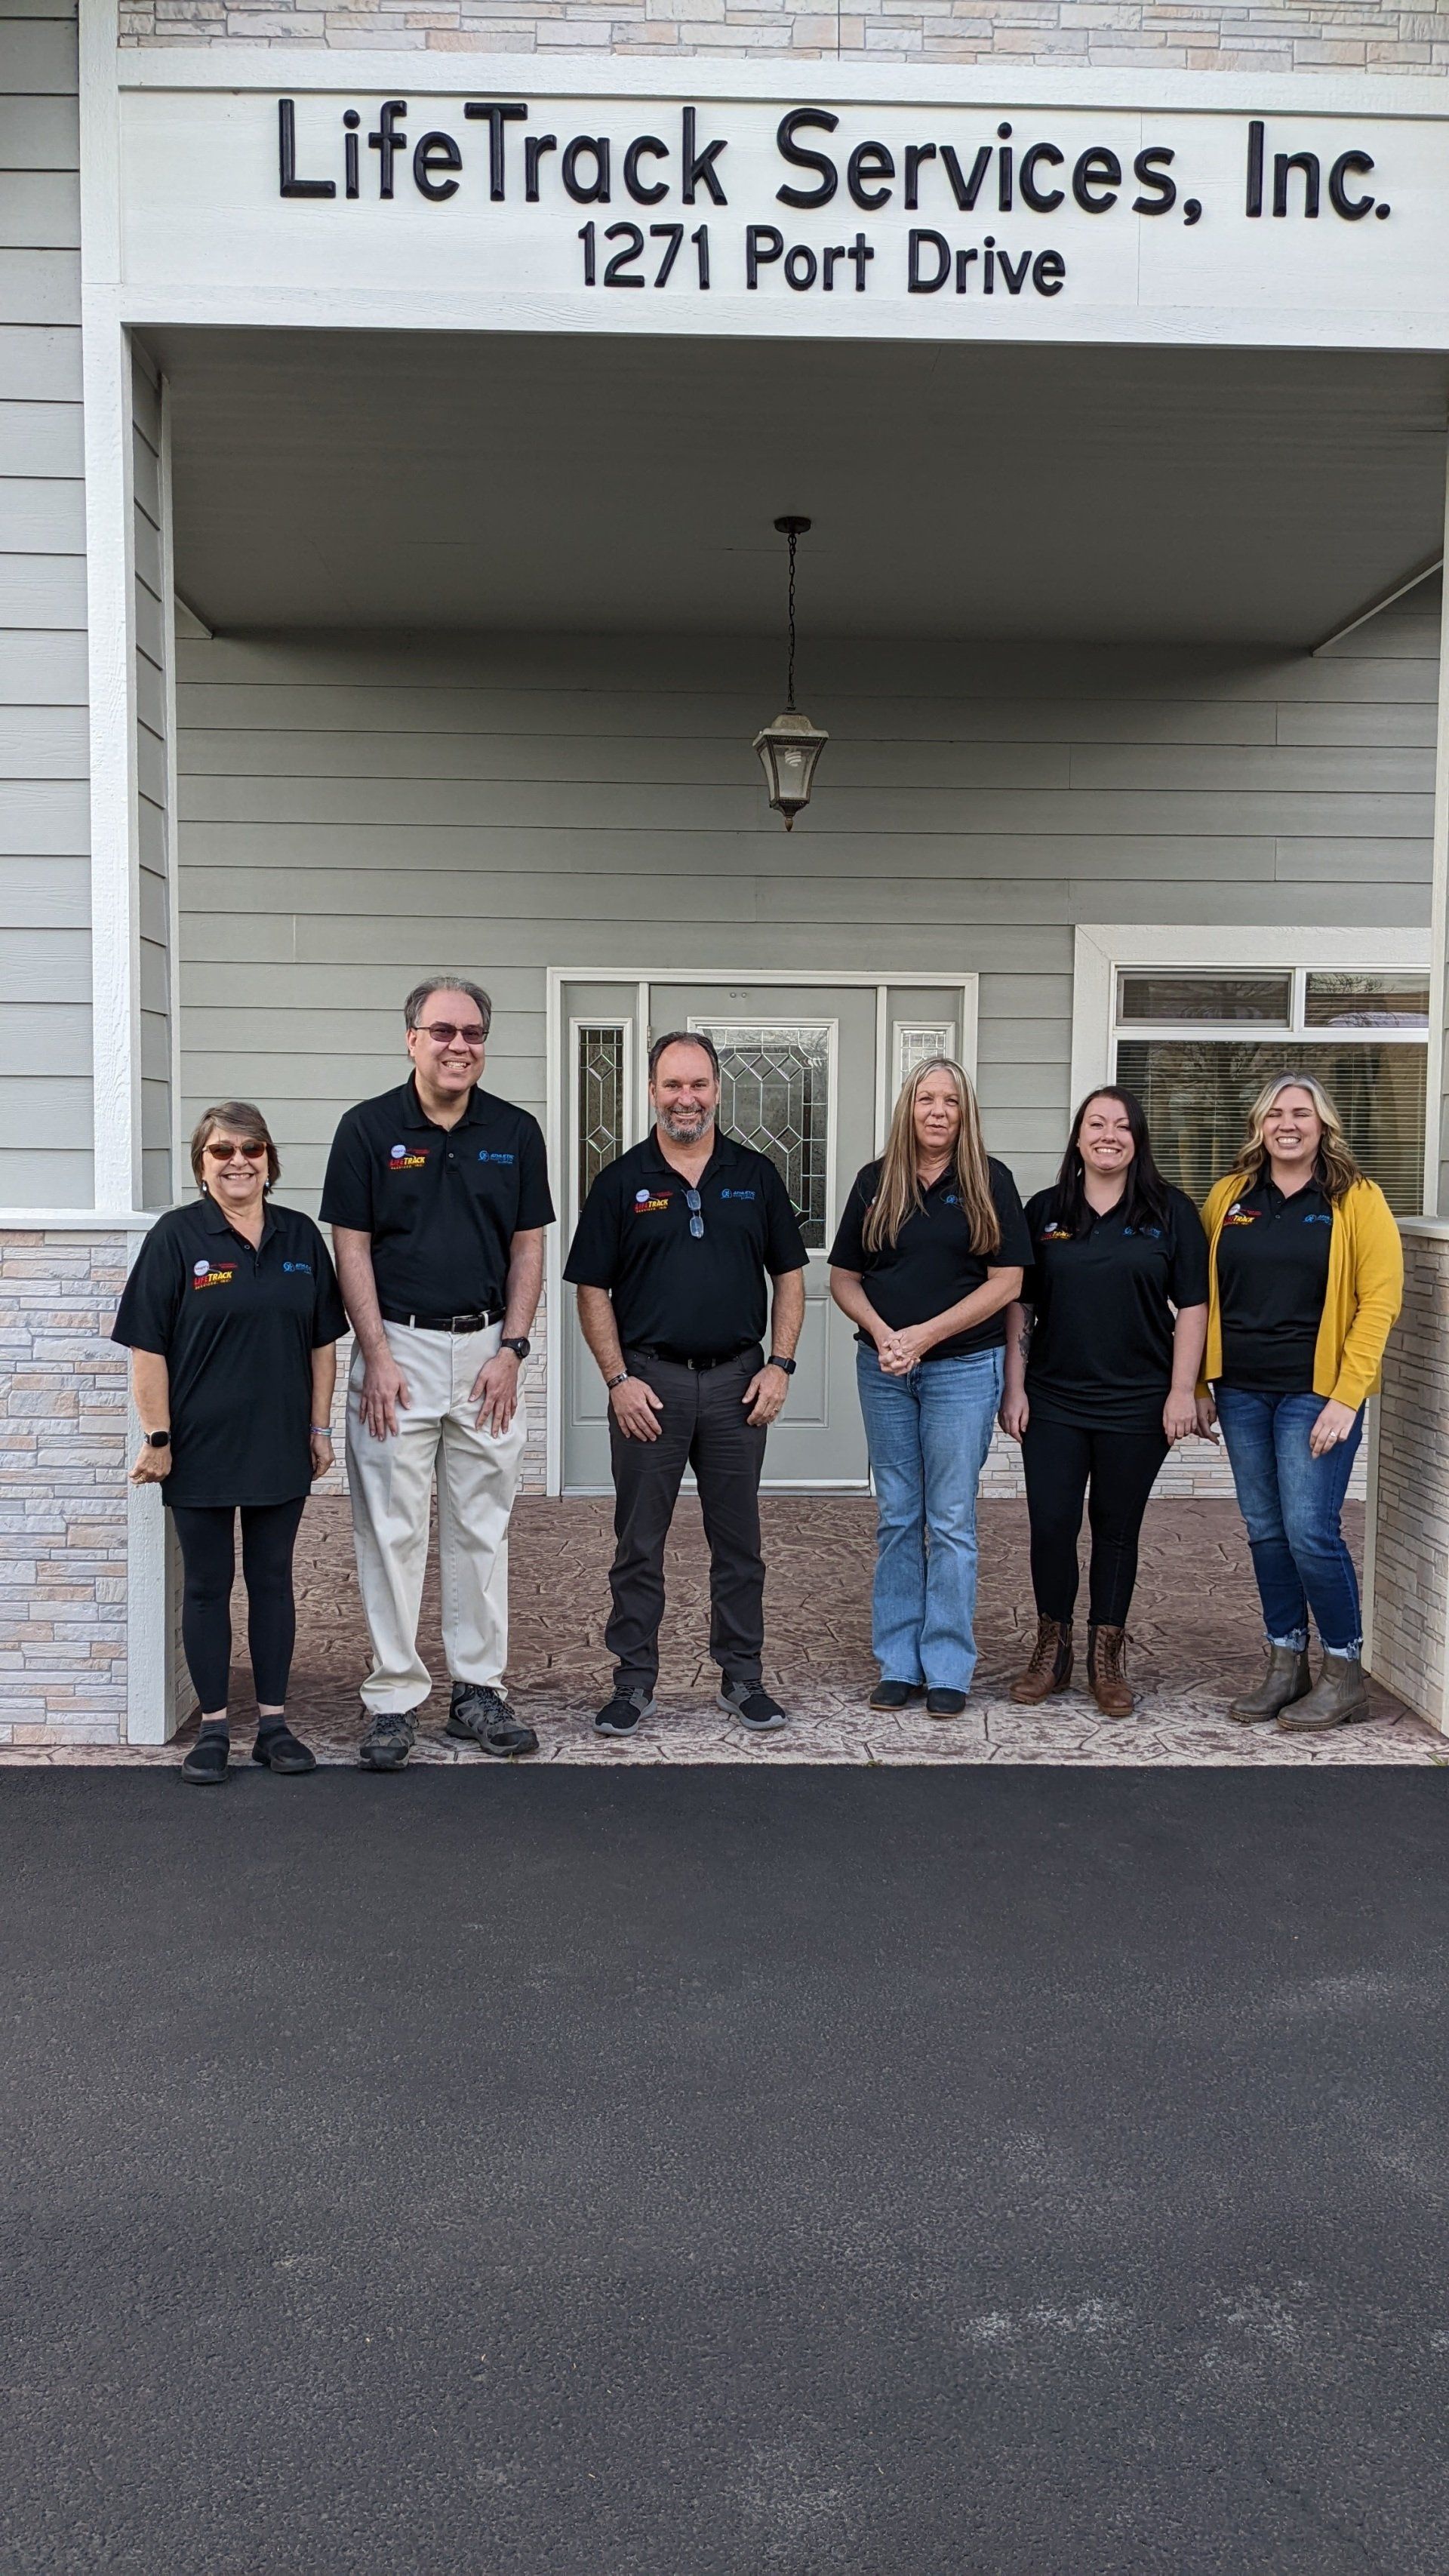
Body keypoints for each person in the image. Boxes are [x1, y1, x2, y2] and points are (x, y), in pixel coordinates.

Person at [321, 977, 553, 1770]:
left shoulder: (516, 1131)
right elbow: (350, 1245)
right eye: (444, 1030)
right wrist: (375, 1355)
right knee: (391, 1528)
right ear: (411, 1037)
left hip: (488, 1348)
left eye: (475, 1032)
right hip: (401, 1353)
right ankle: (392, 1697)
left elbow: (529, 1245)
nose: (461, 1045)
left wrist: (514, 1350)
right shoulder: (367, 1129)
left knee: (481, 1526)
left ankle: (478, 1690)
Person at [565, 1030, 808, 1737]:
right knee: (639, 1543)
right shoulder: (620, 1181)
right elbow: (591, 1288)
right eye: (672, 1085)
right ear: (651, 1091)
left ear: (717, 1091)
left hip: (739, 1386)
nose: (686, 1098)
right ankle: (633, 1681)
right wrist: (616, 1379)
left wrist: (781, 1364)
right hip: (650, 1388)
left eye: (698, 1084)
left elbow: (789, 1276)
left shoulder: (756, 1175)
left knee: (740, 1545)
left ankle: (742, 1677)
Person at [113, 1103, 346, 1785]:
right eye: (222, 1151)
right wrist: (157, 1438)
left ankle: (274, 1724)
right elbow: (146, 1348)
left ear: (271, 1158)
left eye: (252, 1147)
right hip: (199, 1446)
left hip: (280, 1442)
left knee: (273, 1582)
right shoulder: (176, 1237)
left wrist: (319, 1426)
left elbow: (323, 1342)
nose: (238, 1160)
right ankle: (213, 1729)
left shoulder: (301, 1236)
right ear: (202, 1164)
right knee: (210, 1586)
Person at [1197, 1073, 1402, 1731]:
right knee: (1265, 1530)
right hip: (1242, 1390)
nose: (1288, 1123)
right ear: (1259, 1124)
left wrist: (1347, 1397)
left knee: (1312, 1531)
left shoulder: (1355, 1198)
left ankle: (1345, 1672)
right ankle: (1287, 1662)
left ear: (1323, 1126)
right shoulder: (1230, 1196)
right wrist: (1200, 1382)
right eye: (1275, 1113)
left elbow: (1380, 1301)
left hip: (1316, 1394)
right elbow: (1200, 1295)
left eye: (1301, 1113)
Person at [827, 1057, 1029, 1716]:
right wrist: (888, 1334)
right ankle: (898, 1661)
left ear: (964, 1112)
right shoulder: (874, 1182)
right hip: (884, 1371)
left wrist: (926, 1336)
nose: (938, 1111)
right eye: (926, 1099)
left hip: (963, 1370)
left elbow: (1007, 1283)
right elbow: (844, 1279)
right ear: (907, 1108)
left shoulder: (988, 1182)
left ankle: (946, 1665)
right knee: (897, 1516)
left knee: (950, 1520)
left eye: (950, 1100)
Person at [998, 1087, 1208, 1717]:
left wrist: (1181, 1390)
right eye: (1096, 1123)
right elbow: (1019, 1304)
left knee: (1117, 1530)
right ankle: (1052, 1648)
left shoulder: (1171, 1212)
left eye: (1121, 1125)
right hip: (1055, 1399)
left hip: (1139, 1402)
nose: (1109, 1134)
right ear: (1079, 1136)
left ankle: (1106, 1654)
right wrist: (1015, 1385)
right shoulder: (1045, 1210)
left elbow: (1194, 1307)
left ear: (1137, 1138)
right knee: (1052, 1526)